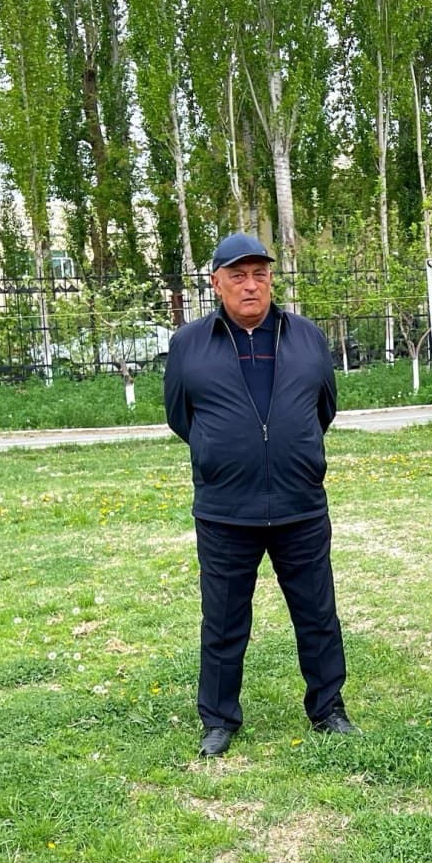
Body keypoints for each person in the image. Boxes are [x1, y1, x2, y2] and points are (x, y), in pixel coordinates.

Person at [163, 233, 355, 758]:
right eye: (238, 276)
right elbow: (182, 418)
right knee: (223, 620)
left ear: (271, 279)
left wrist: (290, 451)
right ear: (216, 283)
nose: (251, 285)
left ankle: (329, 707)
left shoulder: (308, 337)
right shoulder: (188, 345)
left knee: (317, 612)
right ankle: (219, 718)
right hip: (226, 509)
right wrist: (223, 452)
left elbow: (323, 409)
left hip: (300, 504)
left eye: (260, 275)